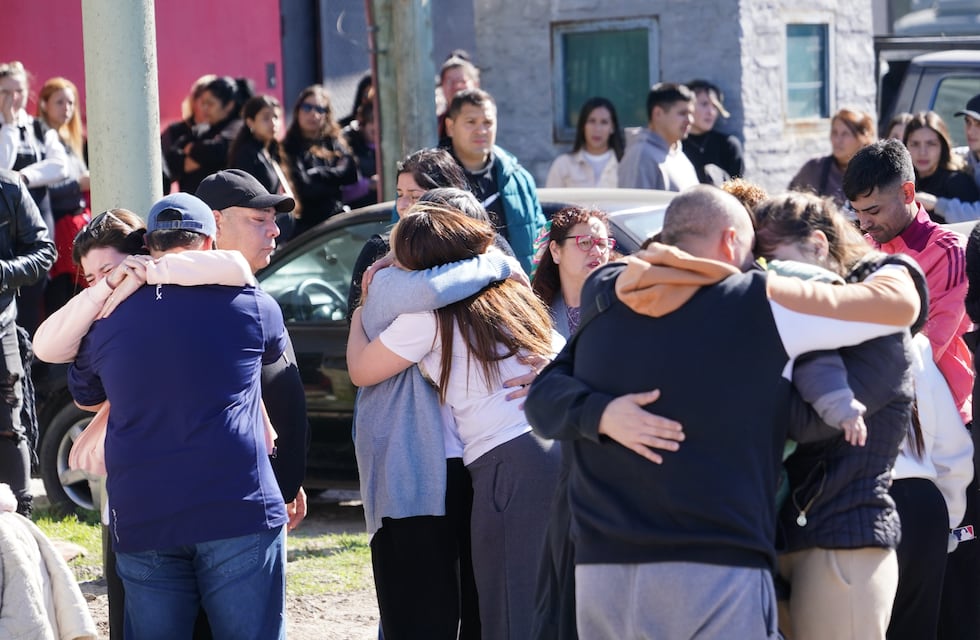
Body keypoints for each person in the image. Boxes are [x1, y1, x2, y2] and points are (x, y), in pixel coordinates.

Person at [524, 185, 922, 640]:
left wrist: (601, 413)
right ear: (732, 241)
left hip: (602, 570)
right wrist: (893, 264)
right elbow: (898, 306)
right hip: (714, 564)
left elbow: (543, 397)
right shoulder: (758, 299)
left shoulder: (607, 292)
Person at [68, 192, 289, 639]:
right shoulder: (254, 304)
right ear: (209, 241)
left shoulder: (106, 317)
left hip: (145, 510)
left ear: (149, 246)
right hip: (238, 505)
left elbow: (85, 393)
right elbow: (274, 361)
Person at [348, 203, 563, 639]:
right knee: (547, 603)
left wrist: (358, 315)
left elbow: (361, 370)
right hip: (559, 448)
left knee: (508, 612)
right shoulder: (513, 293)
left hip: (507, 463)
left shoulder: (428, 317)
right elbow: (563, 351)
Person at [753, 191, 927, 640]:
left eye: (772, 260)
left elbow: (810, 423)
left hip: (846, 539)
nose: (765, 274)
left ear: (817, 245)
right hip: (791, 538)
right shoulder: (811, 326)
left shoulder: (879, 328)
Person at [841, 139, 978, 639]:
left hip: (949, 434)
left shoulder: (946, 251)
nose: (864, 224)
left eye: (873, 211)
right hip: (895, 436)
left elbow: (927, 347)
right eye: (857, 213)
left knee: (955, 591)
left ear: (907, 192)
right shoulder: (864, 247)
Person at [196, 169, 310, 527]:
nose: (274, 230)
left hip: (264, 495)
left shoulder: (249, 295)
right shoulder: (199, 305)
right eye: (259, 220)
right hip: (237, 503)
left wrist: (289, 476)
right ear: (216, 223)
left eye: (273, 220)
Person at [529, 205, 616, 639]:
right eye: (585, 241)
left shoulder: (621, 305)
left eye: (603, 241)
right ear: (556, 251)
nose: (596, 250)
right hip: (541, 449)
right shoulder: (533, 310)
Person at [347, 148, 470, 317]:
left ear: (447, 198)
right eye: (399, 194)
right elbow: (357, 317)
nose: (402, 205)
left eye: (415, 197)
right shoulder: (378, 249)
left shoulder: (478, 248)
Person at [0, 168, 55, 518]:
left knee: (9, 425)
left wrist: (3, 272)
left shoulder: (9, 188)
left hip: (2, 325)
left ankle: (22, 521)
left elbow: (44, 251)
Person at [0, 61, 69, 334]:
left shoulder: (39, 128)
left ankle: (29, 350)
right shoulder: (5, 128)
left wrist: (24, 177)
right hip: (5, 222)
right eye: (6, 92)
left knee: (34, 286)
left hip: (37, 215)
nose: (13, 98)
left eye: (18, 91)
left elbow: (60, 166)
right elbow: (3, 167)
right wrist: (8, 126)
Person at [443, 88, 545, 272]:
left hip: (515, 286)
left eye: (488, 122)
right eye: (471, 122)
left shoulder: (518, 179)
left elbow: (541, 240)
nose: (481, 130)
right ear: (450, 127)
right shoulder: (426, 177)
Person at [36, 76, 91, 313]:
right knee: (61, 298)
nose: (66, 109)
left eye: (70, 103)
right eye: (59, 102)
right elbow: (38, 190)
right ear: (44, 104)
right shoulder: (38, 141)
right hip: (56, 227)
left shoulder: (71, 140)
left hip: (77, 226)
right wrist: (78, 185)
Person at [282, 85, 357, 236]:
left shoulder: (333, 141)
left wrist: (319, 173)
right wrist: (336, 178)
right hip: (307, 228)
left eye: (319, 109)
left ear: (326, 114)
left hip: (336, 220)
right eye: (307, 107)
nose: (313, 114)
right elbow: (306, 188)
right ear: (297, 110)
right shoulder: (289, 146)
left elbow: (351, 174)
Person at [228, 95, 298, 242]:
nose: (273, 123)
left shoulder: (271, 150)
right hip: (258, 229)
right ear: (250, 122)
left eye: (276, 117)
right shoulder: (247, 154)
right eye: (266, 118)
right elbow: (248, 198)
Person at [165, 76, 252, 193]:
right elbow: (173, 157)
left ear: (229, 105)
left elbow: (219, 149)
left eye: (210, 104)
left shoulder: (237, 128)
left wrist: (191, 149)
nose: (204, 108)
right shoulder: (204, 129)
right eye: (203, 103)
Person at [617, 82, 699, 191]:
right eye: (682, 113)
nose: (690, 120)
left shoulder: (680, 157)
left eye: (691, 114)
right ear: (658, 113)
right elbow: (633, 201)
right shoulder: (641, 156)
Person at [903, 111, 980, 222]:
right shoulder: (899, 180)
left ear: (942, 147)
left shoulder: (958, 182)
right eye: (915, 144)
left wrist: (937, 205)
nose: (922, 152)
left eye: (931, 144)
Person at [789, 108, 876, 207]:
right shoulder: (814, 169)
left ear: (863, 138)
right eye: (834, 132)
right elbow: (789, 203)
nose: (837, 140)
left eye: (845, 134)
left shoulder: (875, 174)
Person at [545, 97, 623, 188]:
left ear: (612, 128)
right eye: (592, 121)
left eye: (604, 122)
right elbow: (550, 197)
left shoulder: (624, 164)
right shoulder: (563, 164)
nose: (597, 129)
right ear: (583, 126)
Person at [682, 79, 745, 185]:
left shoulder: (728, 146)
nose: (711, 112)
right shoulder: (675, 145)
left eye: (715, 106)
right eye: (704, 104)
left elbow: (738, 188)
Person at [161, 74, 216, 192]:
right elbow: (164, 167)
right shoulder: (176, 130)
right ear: (194, 101)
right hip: (189, 196)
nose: (207, 108)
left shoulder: (225, 130)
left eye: (213, 103)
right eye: (204, 102)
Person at [341, 93, 378, 210]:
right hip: (360, 212)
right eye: (372, 121)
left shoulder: (391, 148)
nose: (377, 126)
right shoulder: (350, 148)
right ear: (362, 124)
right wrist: (369, 184)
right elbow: (343, 192)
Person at [437, 56, 480, 141]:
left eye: (462, 81)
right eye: (449, 81)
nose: (456, 86)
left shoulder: (485, 119)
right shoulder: (435, 125)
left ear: (475, 84)